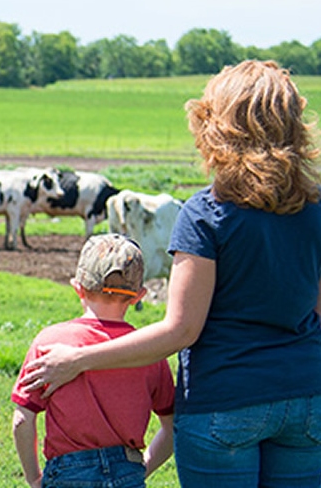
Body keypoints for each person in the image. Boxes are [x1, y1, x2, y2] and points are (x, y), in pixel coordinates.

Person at [19, 59, 321, 487]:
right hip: (308, 399)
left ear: (217, 127)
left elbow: (181, 330)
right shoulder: (315, 209)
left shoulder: (206, 214)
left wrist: (78, 360)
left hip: (225, 402)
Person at [11, 234, 174, 488]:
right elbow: (172, 427)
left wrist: (34, 478)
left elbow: (22, 419)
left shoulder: (50, 341)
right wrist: (139, 470)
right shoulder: (147, 352)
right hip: (127, 468)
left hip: (67, 472)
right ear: (138, 296)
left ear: (78, 287)